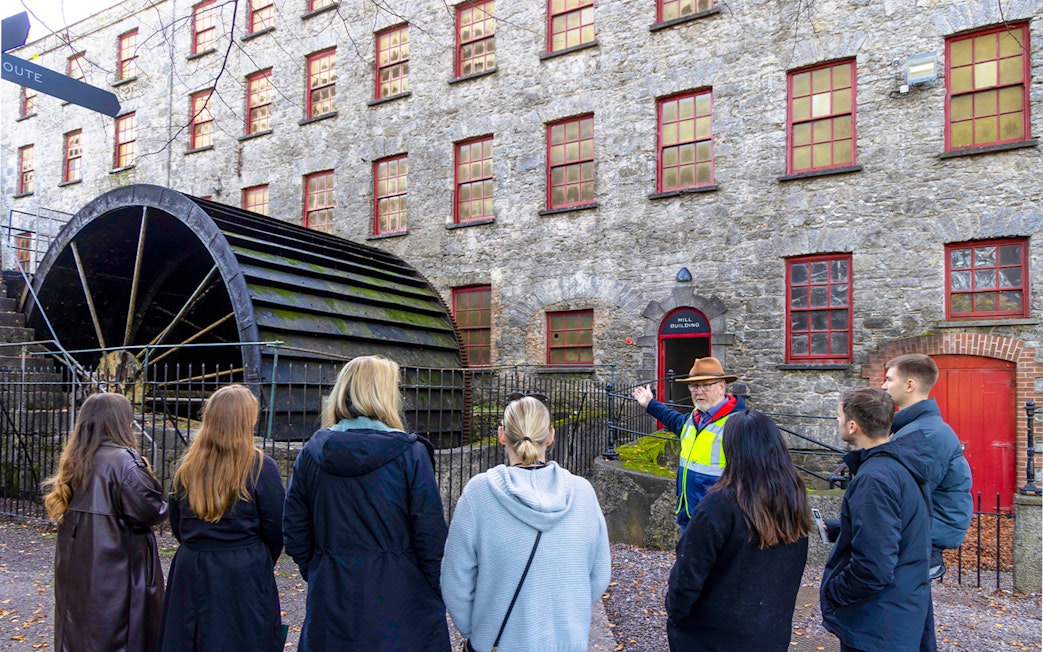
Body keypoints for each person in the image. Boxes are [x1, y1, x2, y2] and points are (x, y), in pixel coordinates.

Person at [283, 355, 451, 651]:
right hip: (400, 596)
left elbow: (295, 530)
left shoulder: (311, 454)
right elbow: (431, 534)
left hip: (332, 593)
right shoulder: (410, 454)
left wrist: (323, 567)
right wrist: (434, 588)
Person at [441, 395, 612, 652]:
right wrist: (566, 619)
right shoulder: (582, 492)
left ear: (502, 435)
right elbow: (599, 575)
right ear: (551, 435)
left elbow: (455, 580)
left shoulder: (480, 493)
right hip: (567, 642)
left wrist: (478, 631)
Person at [665, 410, 811, 651]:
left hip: (713, 637)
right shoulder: (793, 500)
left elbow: (686, 578)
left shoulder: (719, 506)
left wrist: (677, 615)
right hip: (768, 635)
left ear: (730, 449)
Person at [158, 384, 286, 652]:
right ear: (246, 421)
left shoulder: (187, 468)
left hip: (194, 566)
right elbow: (276, 527)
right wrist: (256, 558)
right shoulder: (261, 467)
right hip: (242, 569)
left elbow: (178, 523)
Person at [42, 392, 167, 652]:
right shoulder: (124, 462)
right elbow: (150, 511)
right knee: (117, 637)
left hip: (79, 574)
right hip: (116, 576)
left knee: (80, 634)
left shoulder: (76, 460)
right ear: (121, 421)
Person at [820, 387, 934, 652]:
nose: (837, 423)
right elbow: (900, 525)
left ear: (852, 425)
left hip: (879, 624)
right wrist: (843, 528)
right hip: (898, 611)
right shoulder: (899, 463)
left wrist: (834, 591)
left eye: (838, 417)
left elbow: (874, 567)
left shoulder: (874, 478)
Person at [881, 353, 972, 578]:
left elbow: (904, 498)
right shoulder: (913, 428)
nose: (883, 386)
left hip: (921, 542)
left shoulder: (926, 433)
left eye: (889, 379)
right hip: (917, 537)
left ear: (910, 384)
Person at [631, 356, 746, 528]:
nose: (699, 391)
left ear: (722, 386)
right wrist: (649, 403)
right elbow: (673, 419)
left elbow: (753, 480)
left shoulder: (739, 425)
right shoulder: (695, 418)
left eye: (706, 385)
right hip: (689, 514)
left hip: (719, 522)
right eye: (694, 386)